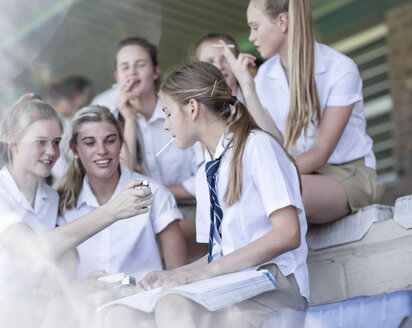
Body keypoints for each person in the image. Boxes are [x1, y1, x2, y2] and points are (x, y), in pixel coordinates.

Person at [104, 62, 309, 328]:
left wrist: (204, 273)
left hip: (275, 282)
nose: (166, 125)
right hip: (232, 281)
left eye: (167, 114)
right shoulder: (205, 173)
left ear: (192, 108)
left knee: (174, 306)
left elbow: (288, 233)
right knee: (123, 315)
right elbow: (217, 254)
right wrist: (173, 274)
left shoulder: (257, 147)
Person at [0, 94, 152, 328]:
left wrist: (78, 287)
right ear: (13, 143)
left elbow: (35, 280)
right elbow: (35, 249)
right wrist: (112, 211)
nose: (51, 151)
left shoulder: (50, 199)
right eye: (40, 142)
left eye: (56, 142)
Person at [221, 0, 383, 224]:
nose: (251, 37)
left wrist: (270, 176)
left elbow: (321, 150)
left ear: (282, 21)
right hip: (301, 173)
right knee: (263, 194)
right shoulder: (266, 74)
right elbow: (274, 143)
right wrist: (247, 87)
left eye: (255, 27)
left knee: (281, 193)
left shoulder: (340, 68)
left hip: (349, 174)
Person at [92, 36, 205, 261]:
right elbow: (120, 181)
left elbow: (202, 176)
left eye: (140, 65)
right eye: (125, 67)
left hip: (191, 207)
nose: (132, 73)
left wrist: (161, 191)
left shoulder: (180, 108)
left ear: (155, 71)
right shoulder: (111, 118)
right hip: (143, 211)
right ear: (117, 77)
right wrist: (129, 120)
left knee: (172, 234)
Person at [57, 105, 188, 281]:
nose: (102, 150)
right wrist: (84, 287)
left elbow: (178, 274)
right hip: (90, 304)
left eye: (110, 140)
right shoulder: (64, 203)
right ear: (75, 149)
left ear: (121, 144)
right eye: (90, 143)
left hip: (144, 301)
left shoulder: (155, 194)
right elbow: (66, 280)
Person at [47, 76, 94, 182]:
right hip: (68, 180)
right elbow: (56, 161)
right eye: (70, 99)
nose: (72, 103)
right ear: (62, 101)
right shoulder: (56, 125)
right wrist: (75, 179)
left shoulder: (69, 119)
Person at [194, 32, 259, 103]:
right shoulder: (196, 108)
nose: (219, 66)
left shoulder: (260, 95)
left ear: (237, 60)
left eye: (226, 59)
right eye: (210, 62)